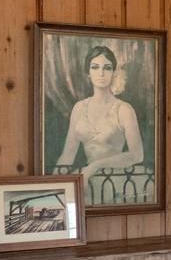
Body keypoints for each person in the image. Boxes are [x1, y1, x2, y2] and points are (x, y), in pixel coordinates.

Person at [55, 44, 144, 183]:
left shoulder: (124, 109)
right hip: (87, 180)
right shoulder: (79, 108)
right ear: (88, 73)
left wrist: (95, 166)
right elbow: (68, 154)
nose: (101, 73)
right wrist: (51, 186)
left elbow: (137, 155)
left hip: (116, 180)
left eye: (107, 68)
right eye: (95, 67)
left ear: (113, 72)